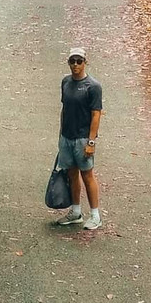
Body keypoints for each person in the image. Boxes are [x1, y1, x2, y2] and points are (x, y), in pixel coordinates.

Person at [55, 47, 103, 230]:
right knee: (72, 173)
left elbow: (96, 115)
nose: (75, 64)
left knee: (87, 175)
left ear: (85, 62)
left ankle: (95, 215)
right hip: (67, 137)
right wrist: (61, 135)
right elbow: (64, 109)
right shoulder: (66, 82)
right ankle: (76, 212)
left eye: (79, 61)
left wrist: (91, 141)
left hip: (83, 138)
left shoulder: (93, 86)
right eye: (72, 61)